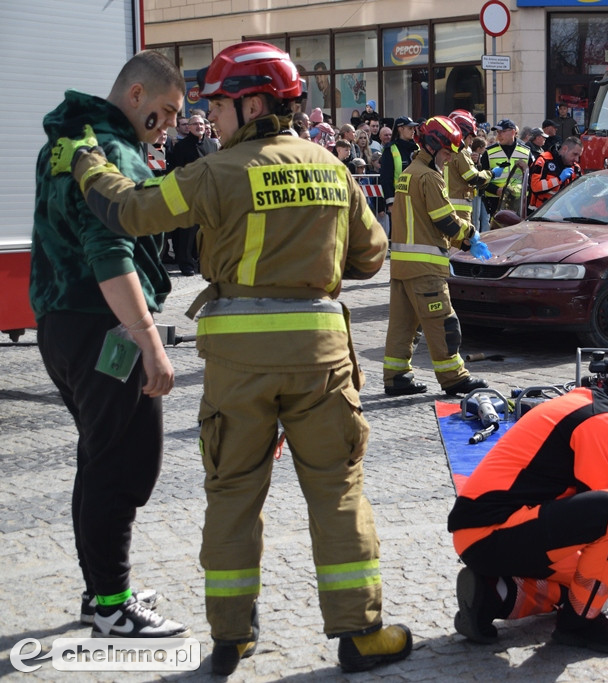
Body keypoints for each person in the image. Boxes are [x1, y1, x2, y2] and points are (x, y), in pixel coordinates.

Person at [51, 41, 412, 676]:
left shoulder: (216, 172)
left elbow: (131, 212)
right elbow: (371, 256)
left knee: (232, 492)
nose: (209, 119)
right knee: (338, 491)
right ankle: (361, 633)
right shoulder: (332, 167)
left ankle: (231, 638)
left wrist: (88, 164)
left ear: (251, 103)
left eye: (218, 105)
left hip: (238, 366)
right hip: (323, 362)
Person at [31, 50, 189, 640]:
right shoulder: (113, 153)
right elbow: (110, 253)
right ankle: (110, 604)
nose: (169, 125)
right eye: (165, 112)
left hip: (61, 323)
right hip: (106, 326)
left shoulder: (67, 142)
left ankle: (101, 588)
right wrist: (150, 341)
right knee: (124, 464)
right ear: (136, 94)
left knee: (99, 460)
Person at [448, 354, 608, 655]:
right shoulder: (607, 423)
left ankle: (490, 596)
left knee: (589, 581)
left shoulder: (590, 404)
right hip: (494, 529)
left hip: (486, 531)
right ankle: (579, 625)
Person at [382, 116, 490, 397]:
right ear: (432, 146)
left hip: (402, 266)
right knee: (444, 322)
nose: (448, 158)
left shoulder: (409, 172)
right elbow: (445, 220)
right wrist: (470, 236)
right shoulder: (430, 176)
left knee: (403, 325)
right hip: (426, 267)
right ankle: (454, 377)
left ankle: (396, 376)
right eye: (446, 152)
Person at [165, 113, 215, 276]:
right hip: (189, 193)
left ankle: (202, 262)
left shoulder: (211, 145)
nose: (199, 127)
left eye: (201, 124)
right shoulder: (181, 146)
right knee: (187, 232)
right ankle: (186, 263)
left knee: (206, 232)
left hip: (207, 193)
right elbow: (177, 171)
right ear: (189, 127)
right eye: (195, 125)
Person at [445, 110, 500, 227]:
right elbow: (473, 178)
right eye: (470, 137)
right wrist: (492, 174)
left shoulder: (445, 150)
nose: (471, 142)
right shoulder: (460, 152)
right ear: (462, 135)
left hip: (447, 205)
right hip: (459, 208)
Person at [478, 119, 531, 215]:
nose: (499, 135)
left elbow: (532, 179)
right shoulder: (488, 152)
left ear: (513, 132)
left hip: (519, 202)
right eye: (498, 132)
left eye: (502, 131)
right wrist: (496, 190)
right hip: (495, 201)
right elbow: (481, 180)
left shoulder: (526, 152)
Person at [529, 136, 583, 211]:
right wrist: (559, 179)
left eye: (578, 156)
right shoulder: (544, 160)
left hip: (564, 215)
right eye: (574, 154)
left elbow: (580, 192)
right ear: (565, 149)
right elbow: (535, 187)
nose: (576, 159)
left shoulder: (576, 168)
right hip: (540, 213)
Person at [379, 116, 419, 216]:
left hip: (417, 199)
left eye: (413, 128)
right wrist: (390, 203)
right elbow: (386, 178)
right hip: (399, 200)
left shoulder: (417, 148)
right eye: (410, 128)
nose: (413, 131)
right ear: (400, 129)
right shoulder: (390, 149)